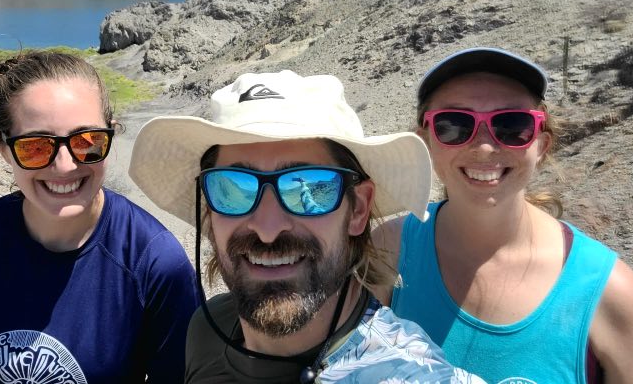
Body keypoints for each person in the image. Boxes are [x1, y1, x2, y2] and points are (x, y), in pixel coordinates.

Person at [129, 70, 486, 383]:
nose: (268, 229)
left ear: (358, 209)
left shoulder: (405, 372)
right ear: (209, 208)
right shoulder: (210, 329)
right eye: (232, 188)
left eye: (308, 188)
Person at [374, 47, 633, 383]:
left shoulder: (612, 295)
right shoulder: (387, 252)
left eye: (512, 126)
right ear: (425, 141)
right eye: (453, 125)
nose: (484, 147)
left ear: (541, 146)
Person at [0, 51, 199, 383]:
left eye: (86, 141)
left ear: (110, 133)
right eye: (36, 146)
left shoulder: (155, 263)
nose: (65, 166)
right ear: (3, 147)